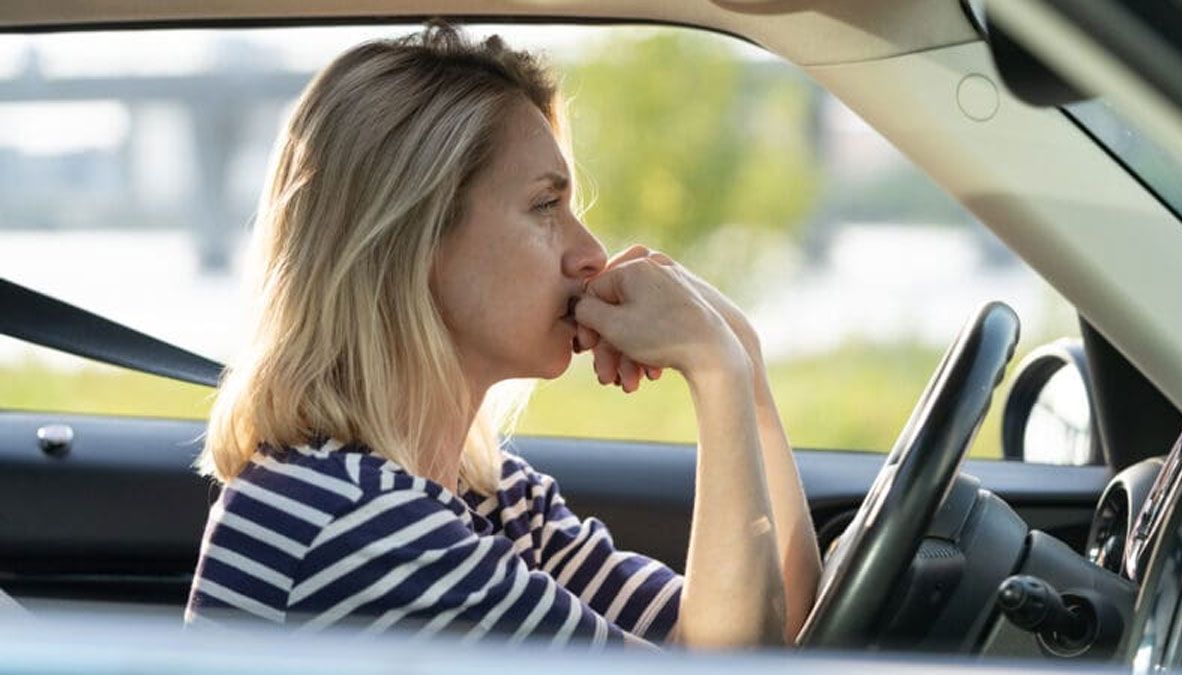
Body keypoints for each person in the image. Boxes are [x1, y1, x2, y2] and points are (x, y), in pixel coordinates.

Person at [186, 21, 821, 649]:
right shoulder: (358, 522)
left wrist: (745, 367)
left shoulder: (488, 497)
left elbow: (780, 623)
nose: (591, 253)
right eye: (546, 207)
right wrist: (716, 375)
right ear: (418, 240)